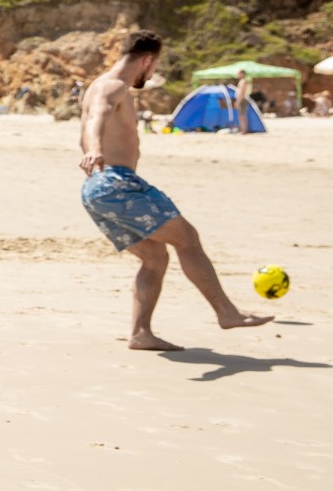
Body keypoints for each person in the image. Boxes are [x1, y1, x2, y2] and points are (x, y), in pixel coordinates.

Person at [78, 31, 274, 351]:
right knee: (188, 238)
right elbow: (97, 118)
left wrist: (94, 152)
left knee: (155, 256)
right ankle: (227, 312)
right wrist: (96, 149)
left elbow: (91, 121)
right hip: (117, 182)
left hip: (95, 189)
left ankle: (141, 333)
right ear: (147, 60)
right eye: (153, 67)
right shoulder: (112, 86)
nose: (152, 73)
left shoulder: (96, 86)